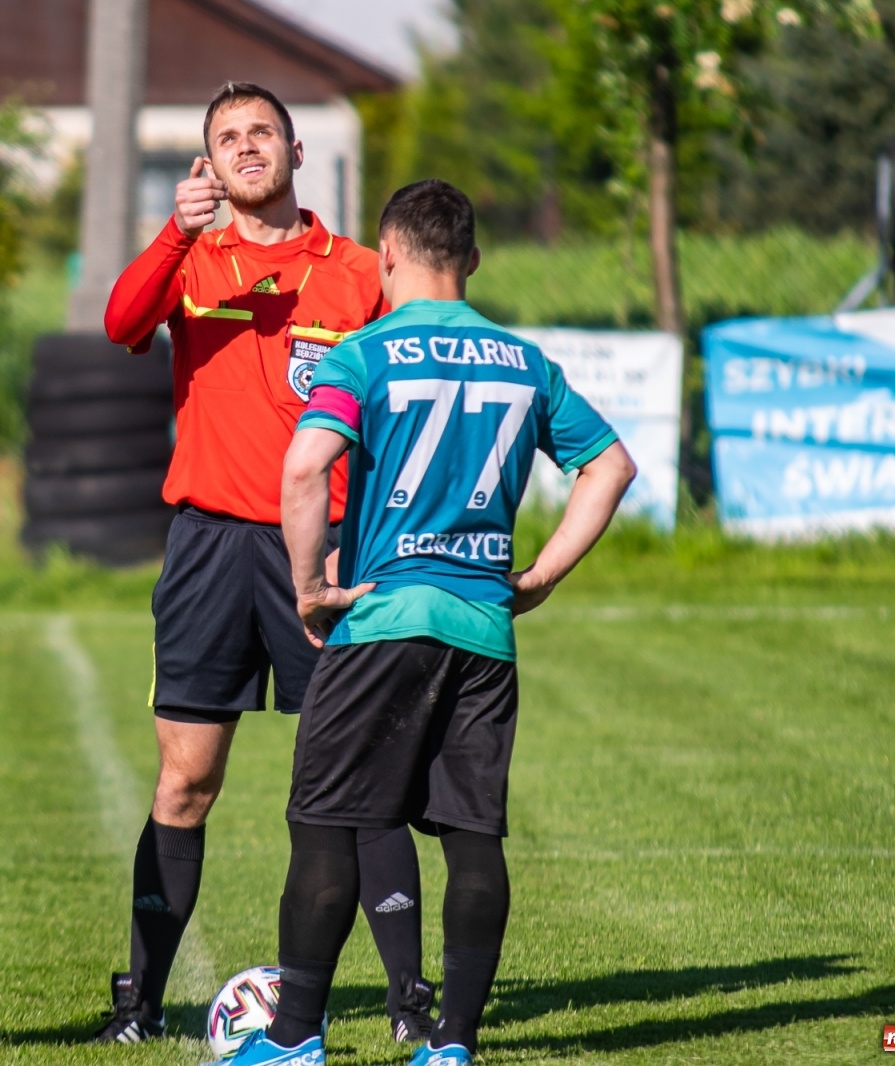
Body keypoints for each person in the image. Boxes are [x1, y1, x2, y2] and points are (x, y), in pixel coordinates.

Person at [217, 179, 637, 1066]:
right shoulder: (526, 362)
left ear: (390, 257)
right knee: (474, 837)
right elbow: (610, 467)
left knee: (326, 824)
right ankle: (451, 1047)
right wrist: (540, 578)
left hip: (383, 619)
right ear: (473, 262)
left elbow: (304, 470)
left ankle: (292, 1041)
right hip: (484, 625)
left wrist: (309, 589)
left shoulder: (363, 354)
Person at [98, 82, 434, 1045]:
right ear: (208, 162)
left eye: (262, 134)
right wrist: (172, 233)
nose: (248, 148)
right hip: (208, 548)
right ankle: (142, 1004)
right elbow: (121, 324)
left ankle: (412, 1005)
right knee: (185, 780)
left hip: (325, 553)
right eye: (227, 138)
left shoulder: (361, 273)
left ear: (295, 150)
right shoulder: (193, 258)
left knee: (358, 777)